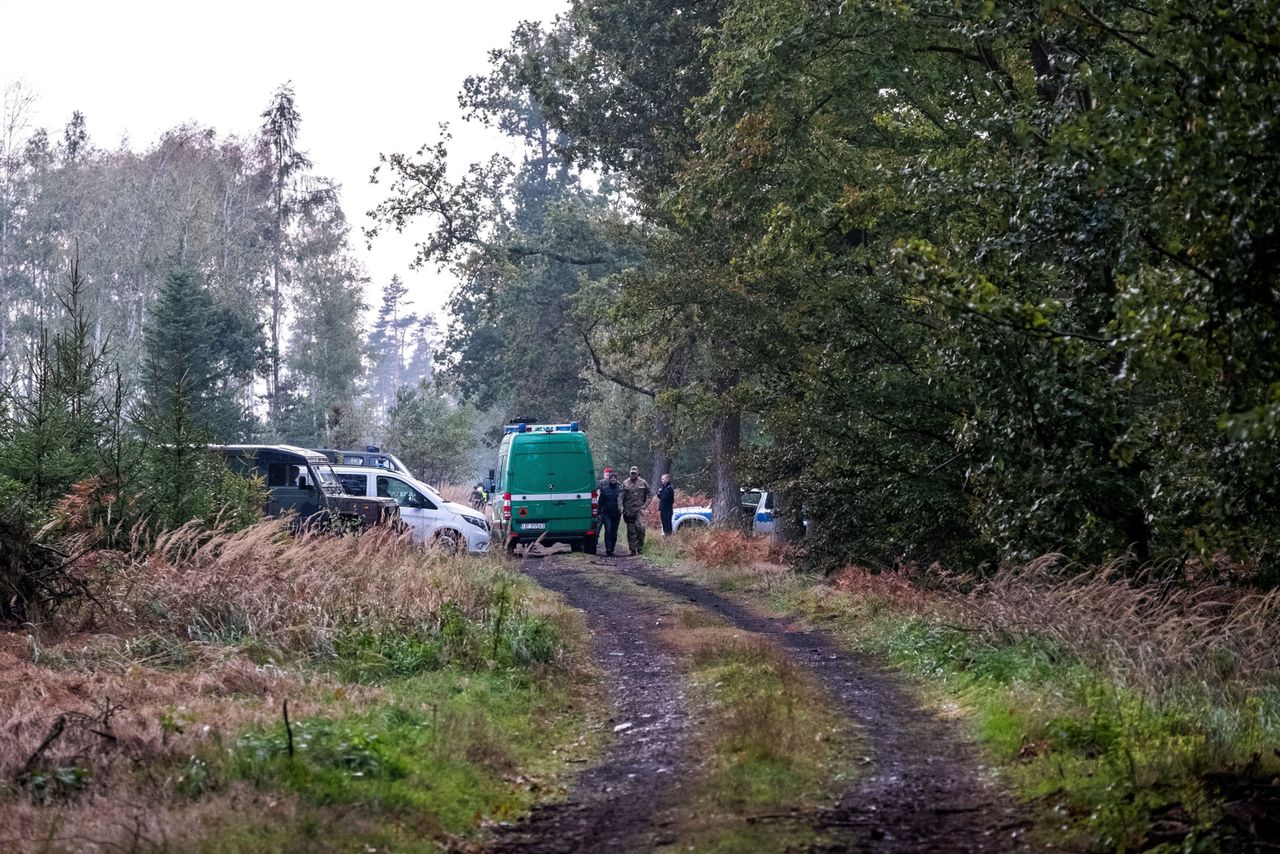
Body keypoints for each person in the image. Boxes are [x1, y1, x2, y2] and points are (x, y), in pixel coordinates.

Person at [620, 465, 651, 555]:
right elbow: (620, 497)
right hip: (629, 510)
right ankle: (632, 549)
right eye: (631, 473)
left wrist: (645, 505)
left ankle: (640, 548)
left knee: (641, 528)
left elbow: (650, 494)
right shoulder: (625, 483)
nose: (633, 475)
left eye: (634, 473)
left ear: (638, 473)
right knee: (631, 531)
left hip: (639, 510)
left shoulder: (643, 482)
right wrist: (621, 508)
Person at [597, 469, 623, 556]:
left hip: (617, 513)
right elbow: (600, 502)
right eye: (611, 478)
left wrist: (623, 509)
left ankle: (612, 548)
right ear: (609, 479)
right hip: (606, 514)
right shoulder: (604, 489)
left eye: (614, 478)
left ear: (616, 479)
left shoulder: (620, 489)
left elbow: (623, 500)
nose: (613, 479)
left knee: (614, 531)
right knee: (608, 530)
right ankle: (608, 549)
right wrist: (598, 512)